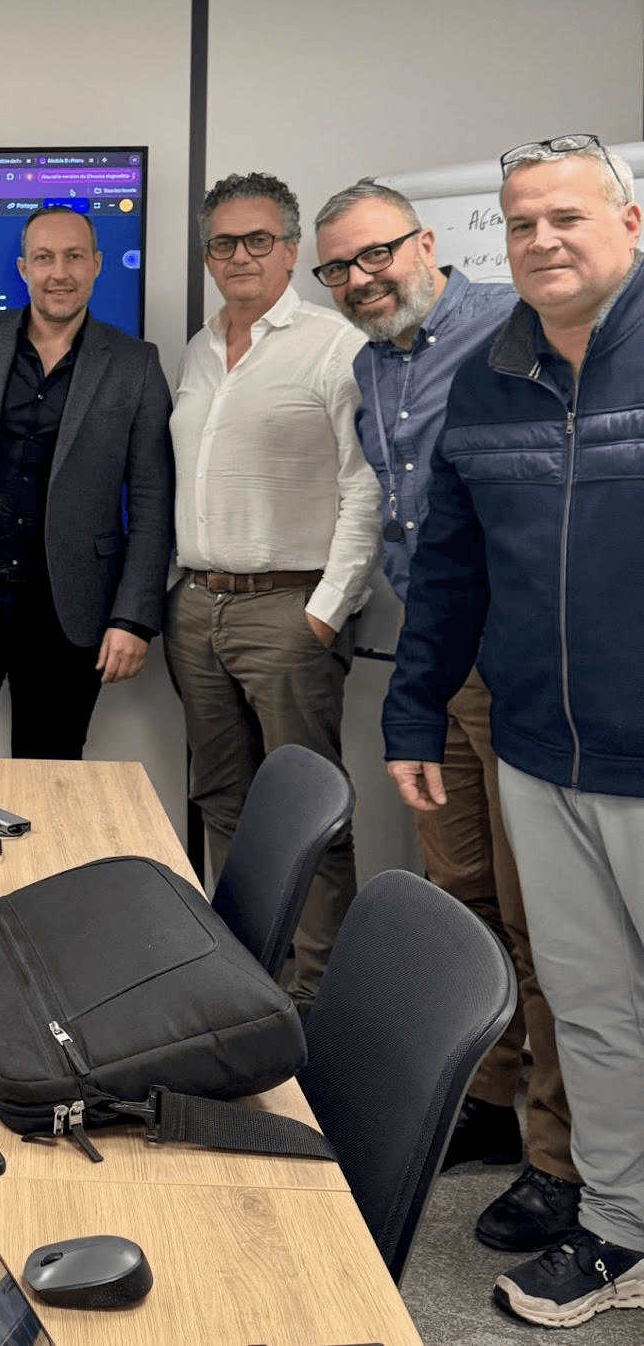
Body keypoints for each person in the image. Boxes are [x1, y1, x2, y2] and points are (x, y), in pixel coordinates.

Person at [384, 134, 644, 1330]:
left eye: (565, 217)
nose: (541, 240)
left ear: (628, 223)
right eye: (521, 221)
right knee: (588, 1009)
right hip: (538, 751)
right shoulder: (490, 375)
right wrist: (413, 709)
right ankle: (622, 1227)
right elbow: (449, 567)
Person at [313, 181, 578, 1253]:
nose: (360, 278)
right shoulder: (372, 365)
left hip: (525, 667)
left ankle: (562, 1161)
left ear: (426, 243)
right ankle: (486, 1096)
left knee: (543, 920)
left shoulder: (516, 330)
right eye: (338, 268)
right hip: (438, 661)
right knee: (460, 894)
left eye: (376, 253)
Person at [165, 172, 379, 1011]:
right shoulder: (197, 349)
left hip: (290, 611)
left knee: (312, 813)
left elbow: (366, 486)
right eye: (223, 243)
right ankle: (251, 984)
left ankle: (322, 1003)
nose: (240, 256)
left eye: (259, 240)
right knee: (223, 802)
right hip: (197, 608)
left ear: (291, 251)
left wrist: (325, 611)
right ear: (207, 257)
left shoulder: (335, 345)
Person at [0, 205, 175, 757]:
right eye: (44, 258)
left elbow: (152, 501)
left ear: (97, 265)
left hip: (69, 609)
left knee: (52, 777)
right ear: (24, 268)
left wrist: (134, 617)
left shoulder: (135, 364)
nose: (59, 273)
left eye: (74, 257)